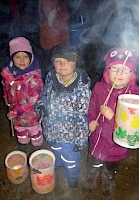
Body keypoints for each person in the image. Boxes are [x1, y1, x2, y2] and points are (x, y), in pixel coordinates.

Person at [84, 48, 139, 195]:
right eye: (114, 68)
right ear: (107, 72)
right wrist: (91, 120)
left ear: (132, 75)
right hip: (98, 140)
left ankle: (107, 181)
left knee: (110, 168)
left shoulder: (135, 97)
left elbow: (133, 126)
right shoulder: (98, 88)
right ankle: (92, 177)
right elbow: (92, 107)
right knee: (94, 163)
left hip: (117, 146)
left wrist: (113, 116)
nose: (119, 73)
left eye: (125, 70)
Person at [35, 44, 91, 188]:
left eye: (67, 60)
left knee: (70, 158)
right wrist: (41, 105)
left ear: (75, 62)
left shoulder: (81, 88)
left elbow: (82, 116)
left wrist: (80, 139)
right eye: (58, 61)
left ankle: (72, 176)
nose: (62, 64)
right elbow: (44, 94)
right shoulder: (51, 77)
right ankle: (59, 163)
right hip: (51, 129)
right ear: (53, 63)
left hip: (69, 136)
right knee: (55, 148)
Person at [1, 37, 44, 154]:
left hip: (31, 114)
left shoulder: (34, 78)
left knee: (34, 131)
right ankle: (23, 142)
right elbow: (6, 88)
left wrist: (15, 111)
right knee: (20, 129)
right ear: (12, 58)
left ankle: (37, 146)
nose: (22, 60)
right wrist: (7, 100)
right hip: (15, 113)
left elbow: (32, 100)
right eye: (17, 57)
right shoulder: (9, 74)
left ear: (31, 58)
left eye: (25, 56)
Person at [38, 0, 70, 79]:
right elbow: (52, 20)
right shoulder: (49, 2)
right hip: (54, 42)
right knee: (54, 68)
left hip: (56, 40)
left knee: (55, 67)